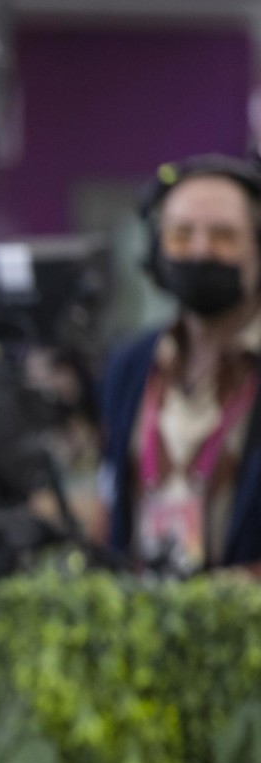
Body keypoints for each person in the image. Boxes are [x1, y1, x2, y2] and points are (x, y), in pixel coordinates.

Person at [99, 154, 261, 573]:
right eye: (181, 235)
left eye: (224, 235)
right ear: (156, 251)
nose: (202, 250)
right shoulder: (129, 365)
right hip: (142, 625)